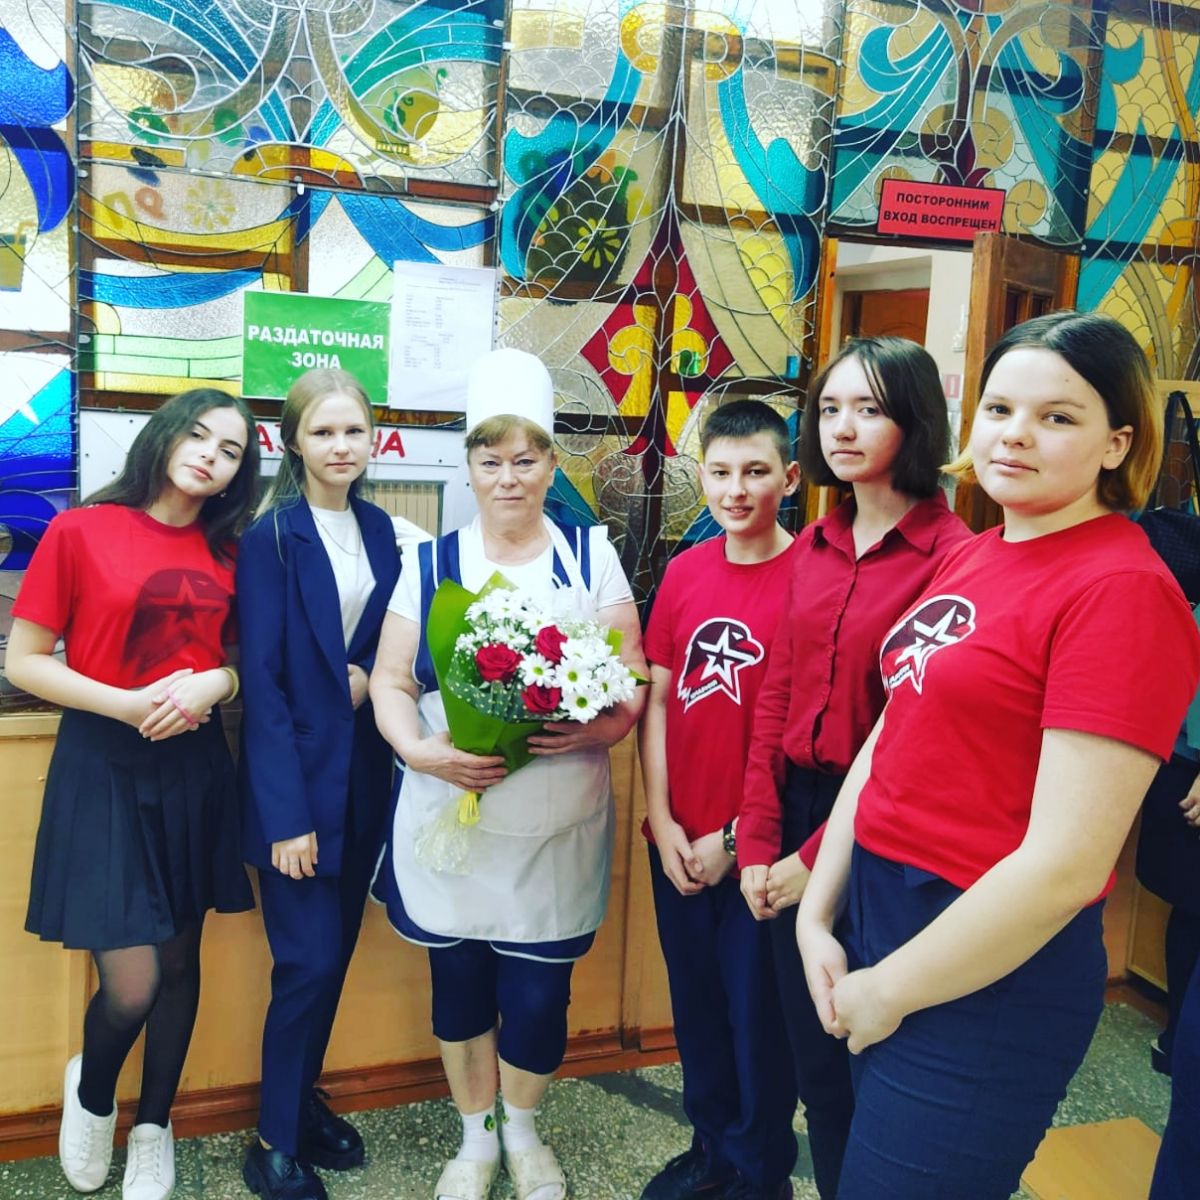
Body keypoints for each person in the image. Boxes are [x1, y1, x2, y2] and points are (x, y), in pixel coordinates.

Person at [795, 311, 1200, 1200]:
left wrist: (891, 990)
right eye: (1000, 408)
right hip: (875, 909)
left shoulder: (1123, 591)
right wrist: (817, 911)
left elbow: (1064, 866)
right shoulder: (978, 554)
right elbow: (891, 735)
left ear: (1116, 443)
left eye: (1057, 417)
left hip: (986, 957)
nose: (1015, 434)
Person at [369, 348, 647, 1200]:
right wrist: (418, 750)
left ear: (551, 466)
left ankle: (522, 1131)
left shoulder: (589, 558)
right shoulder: (430, 565)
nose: (508, 479)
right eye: (491, 462)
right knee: (458, 990)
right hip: (451, 821)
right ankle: (474, 1139)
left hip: (555, 826)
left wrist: (598, 727)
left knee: (537, 999)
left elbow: (632, 679)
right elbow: (389, 681)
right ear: (470, 468)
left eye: (525, 460)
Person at [7, 388, 259, 1200]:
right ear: (165, 436)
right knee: (133, 981)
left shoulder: (233, 553)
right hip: (103, 764)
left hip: (193, 771)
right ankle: (92, 1096)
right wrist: (124, 704)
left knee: (180, 960)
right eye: (199, 435)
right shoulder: (82, 530)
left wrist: (218, 682)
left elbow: (251, 660)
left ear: (238, 473)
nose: (210, 455)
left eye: (230, 450)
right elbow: (24, 659)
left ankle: (154, 1124)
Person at [736, 337, 970, 1199]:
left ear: (916, 420)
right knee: (815, 1068)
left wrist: (814, 860)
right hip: (794, 808)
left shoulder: (954, 556)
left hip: (886, 830)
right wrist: (759, 839)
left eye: (868, 409)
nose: (842, 428)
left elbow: (918, 736)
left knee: (872, 1058)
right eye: (830, 408)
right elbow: (775, 695)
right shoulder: (814, 544)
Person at [237, 369, 401, 1200]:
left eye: (354, 431)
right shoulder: (269, 538)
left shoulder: (379, 529)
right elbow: (263, 688)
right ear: (292, 442)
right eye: (324, 432)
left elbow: (388, 637)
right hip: (295, 791)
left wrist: (368, 672)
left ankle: (299, 1106)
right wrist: (285, 818)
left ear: (374, 439)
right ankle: (272, 1139)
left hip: (362, 780)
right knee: (304, 963)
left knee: (331, 959)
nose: (341, 446)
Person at [639, 400, 802, 1200]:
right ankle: (710, 1147)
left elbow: (803, 739)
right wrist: (663, 819)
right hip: (677, 838)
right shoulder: (684, 571)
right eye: (721, 472)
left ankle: (758, 1171)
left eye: (756, 472)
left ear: (790, 478)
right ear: (699, 475)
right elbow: (659, 697)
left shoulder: (811, 579)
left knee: (757, 1021)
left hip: (759, 849)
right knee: (696, 1005)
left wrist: (733, 840)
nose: (736, 490)